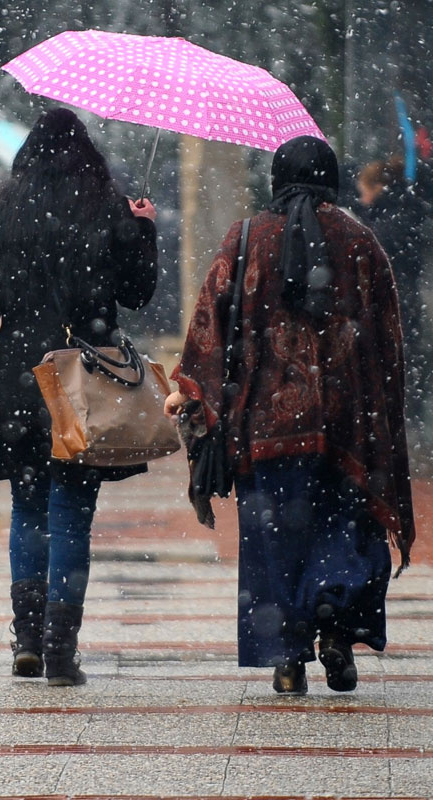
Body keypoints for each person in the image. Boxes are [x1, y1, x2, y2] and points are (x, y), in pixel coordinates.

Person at [166, 136, 416, 695]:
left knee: (274, 541)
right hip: (348, 426)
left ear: (277, 179)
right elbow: (390, 341)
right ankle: (333, 616)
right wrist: (383, 410)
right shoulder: (360, 240)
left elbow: (211, 320)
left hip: (265, 429)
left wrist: (191, 388)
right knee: (344, 529)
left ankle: (288, 658)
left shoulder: (248, 237)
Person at [0, 109, 158, 686]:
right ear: (90, 156)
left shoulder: (7, 214)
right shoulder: (107, 207)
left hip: (19, 382)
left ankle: (26, 642)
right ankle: (61, 650)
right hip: (84, 382)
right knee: (72, 519)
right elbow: (135, 294)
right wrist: (143, 230)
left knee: (28, 512)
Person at [353, 157, 430, 437]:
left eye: (364, 190)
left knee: (397, 363)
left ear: (378, 187)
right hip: (402, 303)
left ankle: (401, 427)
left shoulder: (390, 221)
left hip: (396, 304)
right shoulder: (404, 212)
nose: (361, 199)